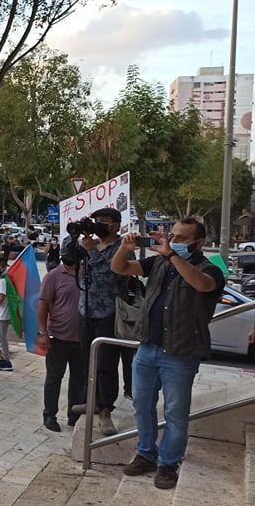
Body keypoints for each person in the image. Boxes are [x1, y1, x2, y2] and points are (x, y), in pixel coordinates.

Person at [112, 218, 225, 489]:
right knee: (141, 404)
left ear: (198, 243)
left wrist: (173, 255)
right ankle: (146, 454)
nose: (173, 241)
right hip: (148, 346)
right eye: (172, 236)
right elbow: (120, 267)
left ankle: (168, 463)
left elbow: (202, 285)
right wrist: (123, 247)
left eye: (182, 238)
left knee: (175, 412)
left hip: (181, 352)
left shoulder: (210, 269)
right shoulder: (159, 263)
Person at [75, 207, 129, 436]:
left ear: (116, 225)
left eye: (104, 221)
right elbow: (67, 257)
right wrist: (75, 234)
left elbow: (109, 272)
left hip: (109, 312)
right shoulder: (91, 245)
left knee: (106, 363)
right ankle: (92, 401)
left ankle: (106, 408)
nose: (99, 225)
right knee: (88, 361)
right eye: (96, 221)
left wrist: (91, 252)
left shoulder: (123, 247)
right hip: (86, 310)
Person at [37, 241, 84, 432]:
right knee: (54, 377)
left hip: (81, 338)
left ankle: (74, 415)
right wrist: (43, 333)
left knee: (79, 379)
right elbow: (43, 306)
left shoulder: (86, 275)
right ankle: (49, 415)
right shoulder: (54, 276)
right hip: (58, 336)